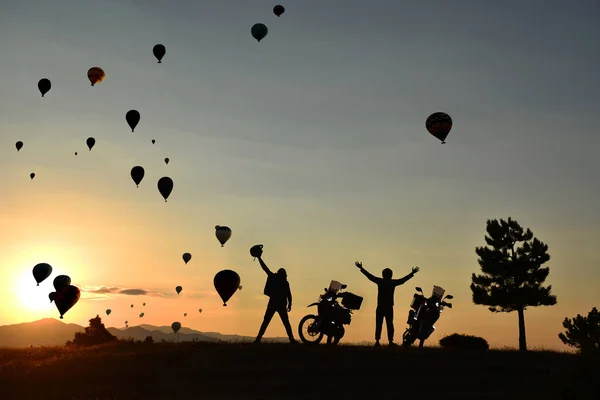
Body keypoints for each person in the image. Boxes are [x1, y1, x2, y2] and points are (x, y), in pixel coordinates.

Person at [355, 261, 419, 347]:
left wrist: (361, 269)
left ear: (383, 274)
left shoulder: (380, 281)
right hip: (388, 307)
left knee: (379, 324)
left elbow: (370, 277)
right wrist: (412, 273)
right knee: (389, 324)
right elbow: (402, 280)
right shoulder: (392, 283)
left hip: (380, 307)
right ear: (391, 275)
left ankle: (377, 341)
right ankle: (390, 342)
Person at [254, 255, 298, 344]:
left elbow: (265, 269)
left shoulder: (275, 278)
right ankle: (291, 339)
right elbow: (289, 295)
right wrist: (290, 304)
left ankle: (258, 339)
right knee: (285, 323)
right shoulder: (285, 282)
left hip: (274, 303)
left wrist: (259, 258)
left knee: (266, 322)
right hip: (280, 304)